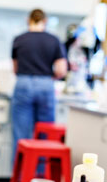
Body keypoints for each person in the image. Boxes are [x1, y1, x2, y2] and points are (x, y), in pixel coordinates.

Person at [11, 9, 67, 159]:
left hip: (23, 83)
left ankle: (19, 179)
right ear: (45, 21)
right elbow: (62, 69)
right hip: (46, 84)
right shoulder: (54, 40)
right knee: (45, 135)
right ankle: (41, 177)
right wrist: (51, 77)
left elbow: (15, 69)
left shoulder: (19, 39)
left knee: (21, 136)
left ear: (28, 20)